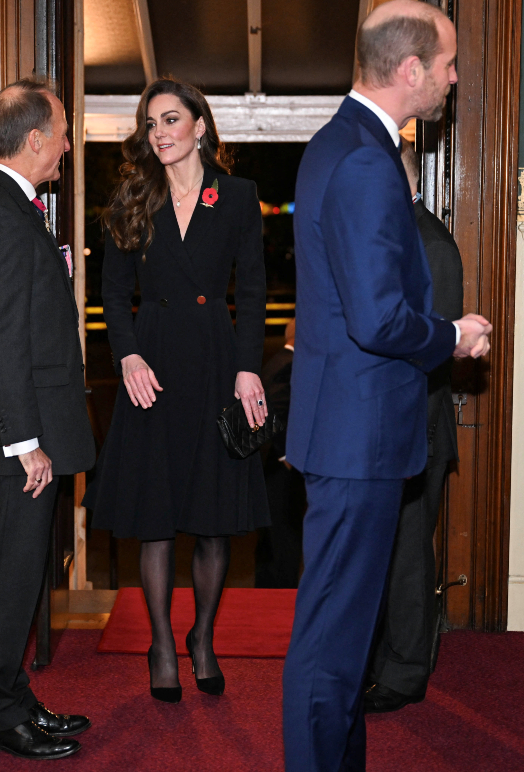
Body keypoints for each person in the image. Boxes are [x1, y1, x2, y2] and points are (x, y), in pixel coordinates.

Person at [282, 3, 492, 771]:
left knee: (342, 631)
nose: (452, 77)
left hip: (344, 430)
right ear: (410, 71)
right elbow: (377, 320)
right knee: (334, 642)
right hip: (359, 439)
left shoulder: (337, 143)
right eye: (447, 64)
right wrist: (453, 337)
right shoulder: (369, 160)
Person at [82, 78, 270, 703]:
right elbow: (111, 292)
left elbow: (250, 292)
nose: (159, 133)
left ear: (199, 125)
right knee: (157, 519)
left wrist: (248, 367)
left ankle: (203, 637)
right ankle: (162, 644)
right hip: (153, 370)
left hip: (217, 362)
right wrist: (128, 353)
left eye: (170, 119)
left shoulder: (237, 196)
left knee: (214, 522)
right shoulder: (134, 194)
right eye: (150, 123)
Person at [0, 79, 96, 760]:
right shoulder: (3, 219)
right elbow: (3, 341)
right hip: (17, 437)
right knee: (7, 579)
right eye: (63, 132)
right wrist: (27, 444)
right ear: (35, 138)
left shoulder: (12, 207)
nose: (68, 144)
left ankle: (11, 697)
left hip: (24, 428)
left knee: (18, 573)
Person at [364, 139, 463, 713]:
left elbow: (433, 352)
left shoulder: (432, 244)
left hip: (417, 428)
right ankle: (384, 663)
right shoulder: (392, 238)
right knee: (387, 552)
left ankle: (406, 674)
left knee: (407, 555)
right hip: (385, 429)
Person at [255, 319, 306, 589]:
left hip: (271, 462)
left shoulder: (278, 360)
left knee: (273, 536)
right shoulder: (288, 365)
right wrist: (288, 455)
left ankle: (269, 589)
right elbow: (279, 410)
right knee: (284, 535)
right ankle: (280, 593)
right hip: (280, 463)